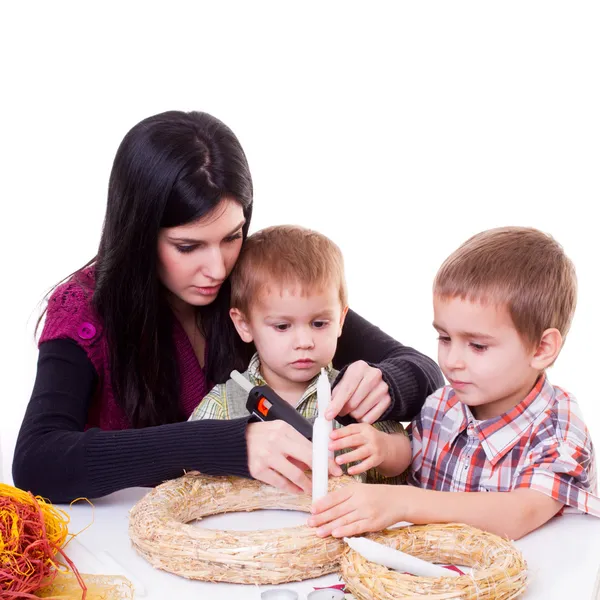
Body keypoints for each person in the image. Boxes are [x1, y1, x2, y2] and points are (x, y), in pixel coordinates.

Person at [12, 110, 442, 503]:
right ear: (139, 234)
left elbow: (422, 370)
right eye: (188, 246)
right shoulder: (84, 311)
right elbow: (38, 461)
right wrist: (231, 443)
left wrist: (387, 382)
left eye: (232, 236)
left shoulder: (255, 281)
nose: (217, 269)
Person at [309, 227, 600, 540]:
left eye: (477, 346)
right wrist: (382, 448)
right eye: (445, 338)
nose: (452, 361)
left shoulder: (559, 429)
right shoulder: (443, 404)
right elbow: (412, 455)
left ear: (541, 349)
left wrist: (404, 503)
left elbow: (520, 512)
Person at [189, 225, 411, 484]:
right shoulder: (224, 404)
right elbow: (188, 470)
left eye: (319, 324)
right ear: (244, 325)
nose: (304, 342)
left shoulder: (353, 395)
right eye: (282, 326)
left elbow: (406, 456)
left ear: (341, 320)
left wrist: (384, 448)